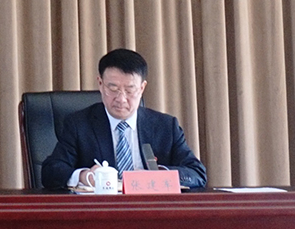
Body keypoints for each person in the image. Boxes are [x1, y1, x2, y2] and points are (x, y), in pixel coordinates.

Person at [41, 48, 207, 191]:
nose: (121, 99)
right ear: (100, 84)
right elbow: (50, 172)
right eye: (113, 88)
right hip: (102, 211)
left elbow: (197, 173)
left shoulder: (165, 126)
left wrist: (158, 175)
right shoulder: (79, 124)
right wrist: (84, 176)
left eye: (129, 90)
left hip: (151, 211)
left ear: (142, 88)